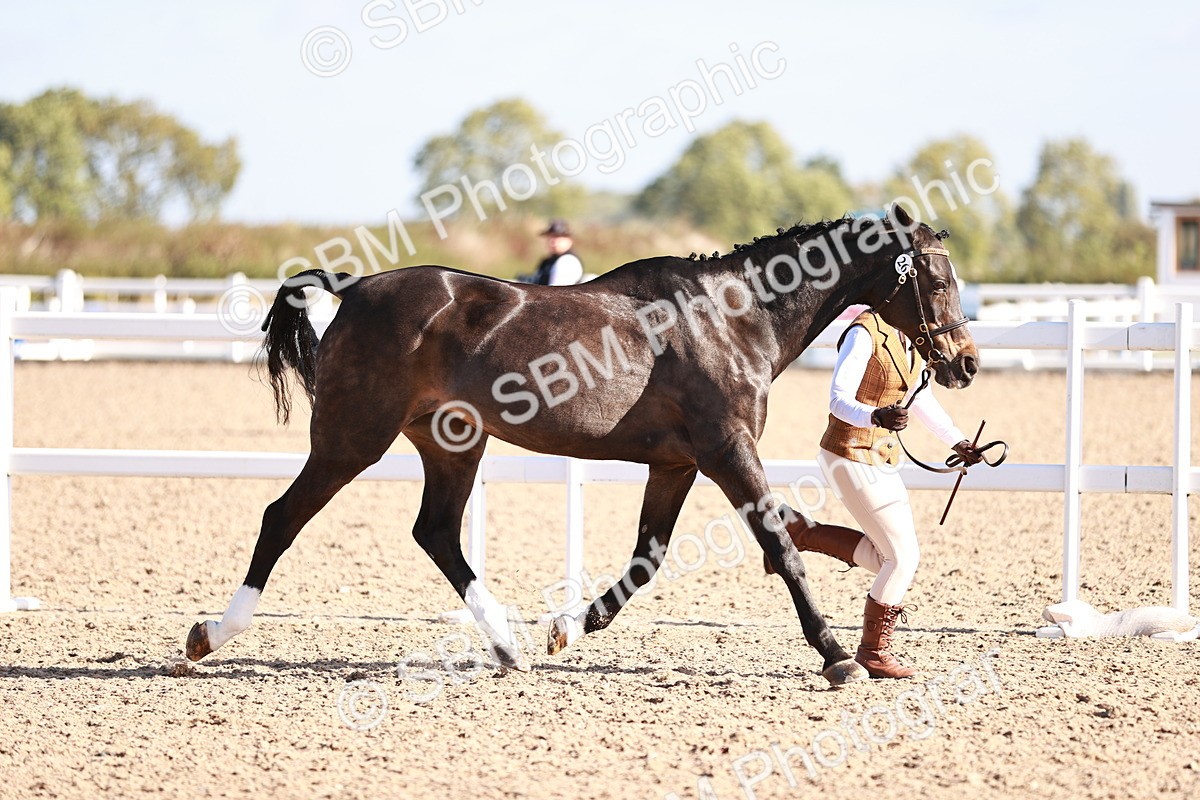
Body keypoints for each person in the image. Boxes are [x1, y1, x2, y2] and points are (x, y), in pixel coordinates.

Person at [765, 309, 984, 678]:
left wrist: (957, 440)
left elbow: (920, 398)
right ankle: (872, 653)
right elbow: (837, 399)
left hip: (880, 455)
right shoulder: (864, 333)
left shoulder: (912, 336)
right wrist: (875, 417)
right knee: (902, 559)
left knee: (889, 557)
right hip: (848, 452)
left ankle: (799, 532)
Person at [532, 219, 584, 285]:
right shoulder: (547, 261)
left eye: (557, 237)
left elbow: (556, 292)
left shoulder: (567, 261)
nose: (552, 241)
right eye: (550, 236)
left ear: (569, 240)